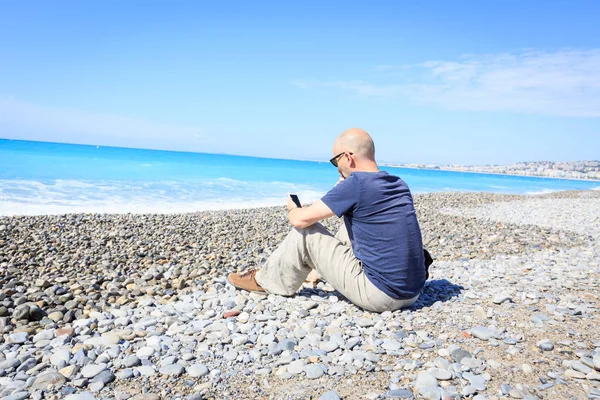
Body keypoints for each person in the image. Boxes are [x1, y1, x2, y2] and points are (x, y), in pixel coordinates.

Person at [227, 128, 427, 312]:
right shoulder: (398, 183)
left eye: (335, 161)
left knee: (305, 233)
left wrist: (292, 209)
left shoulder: (357, 184)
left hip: (381, 295)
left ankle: (267, 281)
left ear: (348, 157)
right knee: (350, 227)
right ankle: (318, 272)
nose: (336, 167)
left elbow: (301, 221)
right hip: (411, 292)